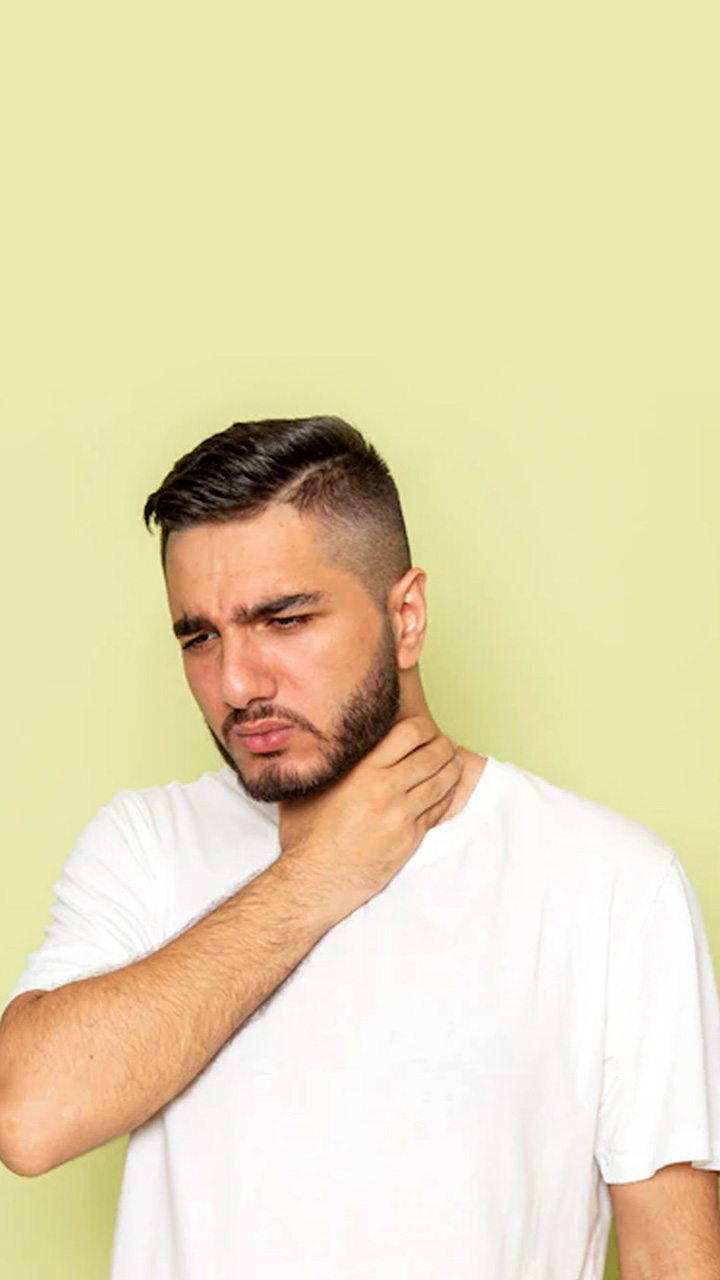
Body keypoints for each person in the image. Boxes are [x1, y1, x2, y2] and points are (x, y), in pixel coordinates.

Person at [0, 416, 719, 1280]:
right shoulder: (146, 844)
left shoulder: (611, 884)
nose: (237, 683)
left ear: (406, 616)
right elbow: (28, 1119)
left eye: (284, 619)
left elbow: (671, 1257)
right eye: (200, 636)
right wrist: (319, 875)